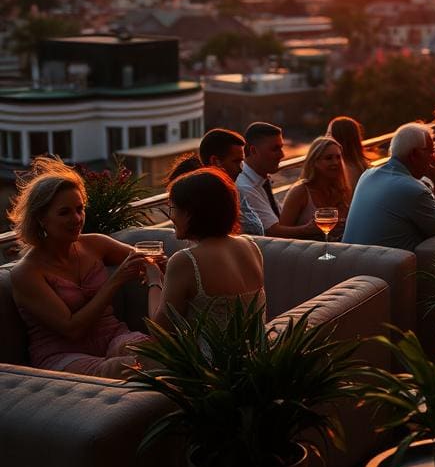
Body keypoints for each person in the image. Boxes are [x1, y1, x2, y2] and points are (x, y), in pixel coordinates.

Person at [9, 157, 153, 379]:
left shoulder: (95, 244)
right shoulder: (26, 273)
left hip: (113, 337)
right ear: (40, 218)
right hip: (64, 355)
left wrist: (163, 267)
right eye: (64, 212)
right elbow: (71, 328)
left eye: (80, 209)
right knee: (126, 369)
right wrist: (116, 281)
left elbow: (146, 258)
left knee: (158, 353)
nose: (76, 219)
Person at [145, 168, 265, 330]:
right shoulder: (250, 246)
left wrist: (154, 280)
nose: (170, 217)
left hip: (212, 356)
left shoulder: (186, 260)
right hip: (257, 353)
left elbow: (160, 332)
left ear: (189, 213)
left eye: (172, 209)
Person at [342, 123, 435, 251]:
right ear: (414, 154)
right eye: (431, 152)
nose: (434, 158)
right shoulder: (413, 190)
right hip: (382, 268)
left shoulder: (367, 175)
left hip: (349, 260)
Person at [167, 128, 265, 236]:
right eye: (236, 161)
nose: (241, 169)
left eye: (241, 162)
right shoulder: (203, 197)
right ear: (214, 161)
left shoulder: (233, 190)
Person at [235, 122, 316, 239]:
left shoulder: (259, 180)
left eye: (281, 147)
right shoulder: (245, 188)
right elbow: (272, 232)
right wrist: (309, 229)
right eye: (275, 149)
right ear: (253, 151)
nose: (282, 155)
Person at [278, 136, 351, 241]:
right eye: (329, 158)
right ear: (314, 162)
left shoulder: (343, 191)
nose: (335, 162)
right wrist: (307, 230)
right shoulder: (300, 192)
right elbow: (280, 234)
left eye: (338, 157)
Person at [326, 116, 373, 192]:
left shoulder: (341, 171)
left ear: (339, 139)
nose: (325, 139)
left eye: (329, 134)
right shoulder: (361, 165)